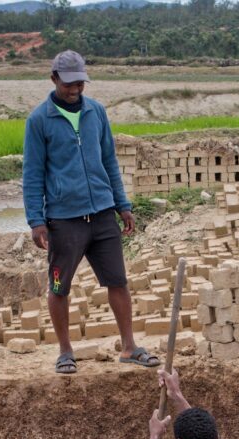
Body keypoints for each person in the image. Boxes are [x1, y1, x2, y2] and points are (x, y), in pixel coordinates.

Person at [23, 50, 159, 375]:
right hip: (64, 221)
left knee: (118, 281)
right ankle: (65, 352)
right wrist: (36, 221)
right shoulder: (39, 120)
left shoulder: (96, 112)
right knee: (59, 286)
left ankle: (129, 347)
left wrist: (122, 205)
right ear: (54, 79)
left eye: (80, 83)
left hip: (101, 214)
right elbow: (32, 173)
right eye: (69, 84)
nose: (75, 89)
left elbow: (109, 160)